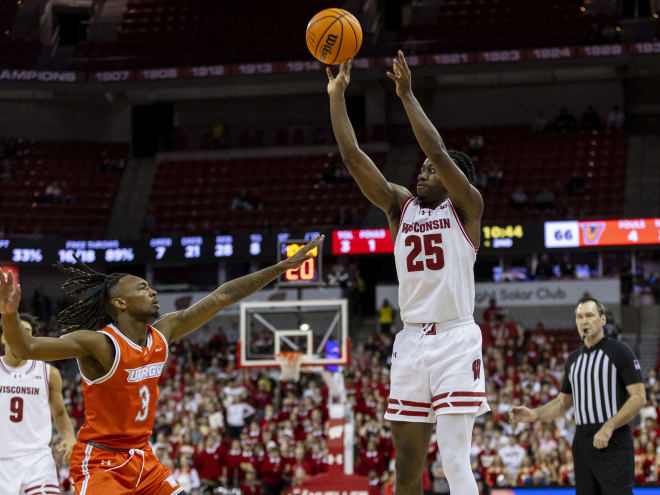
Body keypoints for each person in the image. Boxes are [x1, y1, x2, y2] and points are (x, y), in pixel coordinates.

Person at [0, 235, 322, 495]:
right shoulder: (99, 343)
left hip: (143, 458)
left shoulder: (163, 332)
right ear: (120, 302)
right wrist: (9, 315)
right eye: (142, 287)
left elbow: (223, 296)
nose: (152, 291)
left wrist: (281, 267)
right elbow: (24, 346)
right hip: (102, 462)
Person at [327, 51, 488, 495]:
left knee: (454, 459)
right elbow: (353, 156)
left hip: (456, 337)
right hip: (411, 340)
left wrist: (406, 94)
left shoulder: (468, 208)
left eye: (432, 171)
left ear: (455, 178)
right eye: (420, 169)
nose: (422, 172)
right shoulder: (401, 206)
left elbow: (435, 149)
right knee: (406, 466)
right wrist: (336, 96)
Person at [510, 297, 646, 494]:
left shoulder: (620, 351)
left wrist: (609, 426)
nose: (584, 321)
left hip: (613, 439)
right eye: (579, 317)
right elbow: (563, 401)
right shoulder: (573, 359)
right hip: (582, 441)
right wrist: (534, 414)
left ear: (603, 320)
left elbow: (638, 397)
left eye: (590, 316)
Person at [0, 312, 77, 495]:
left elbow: (59, 414)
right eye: (14, 331)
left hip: (37, 460)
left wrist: (69, 436)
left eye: (26, 332)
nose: (20, 335)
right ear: (4, 337)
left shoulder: (48, 373)